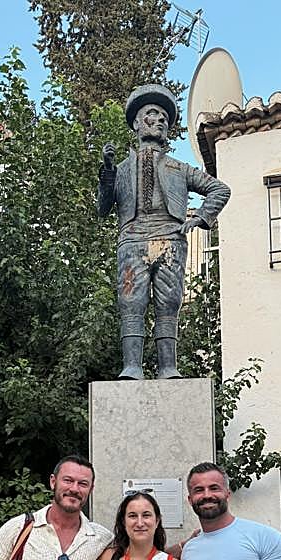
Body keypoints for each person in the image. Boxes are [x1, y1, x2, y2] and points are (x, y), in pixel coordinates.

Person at [97, 83, 231, 380]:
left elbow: (219, 189)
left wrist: (201, 219)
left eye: (163, 118)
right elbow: (103, 208)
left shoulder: (179, 168)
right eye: (151, 114)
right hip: (132, 239)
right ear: (136, 122)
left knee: (168, 302)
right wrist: (106, 173)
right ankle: (131, 366)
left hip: (170, 239)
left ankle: (168, 367)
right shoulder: (119, 169)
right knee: (131, 302)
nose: (158, 120)